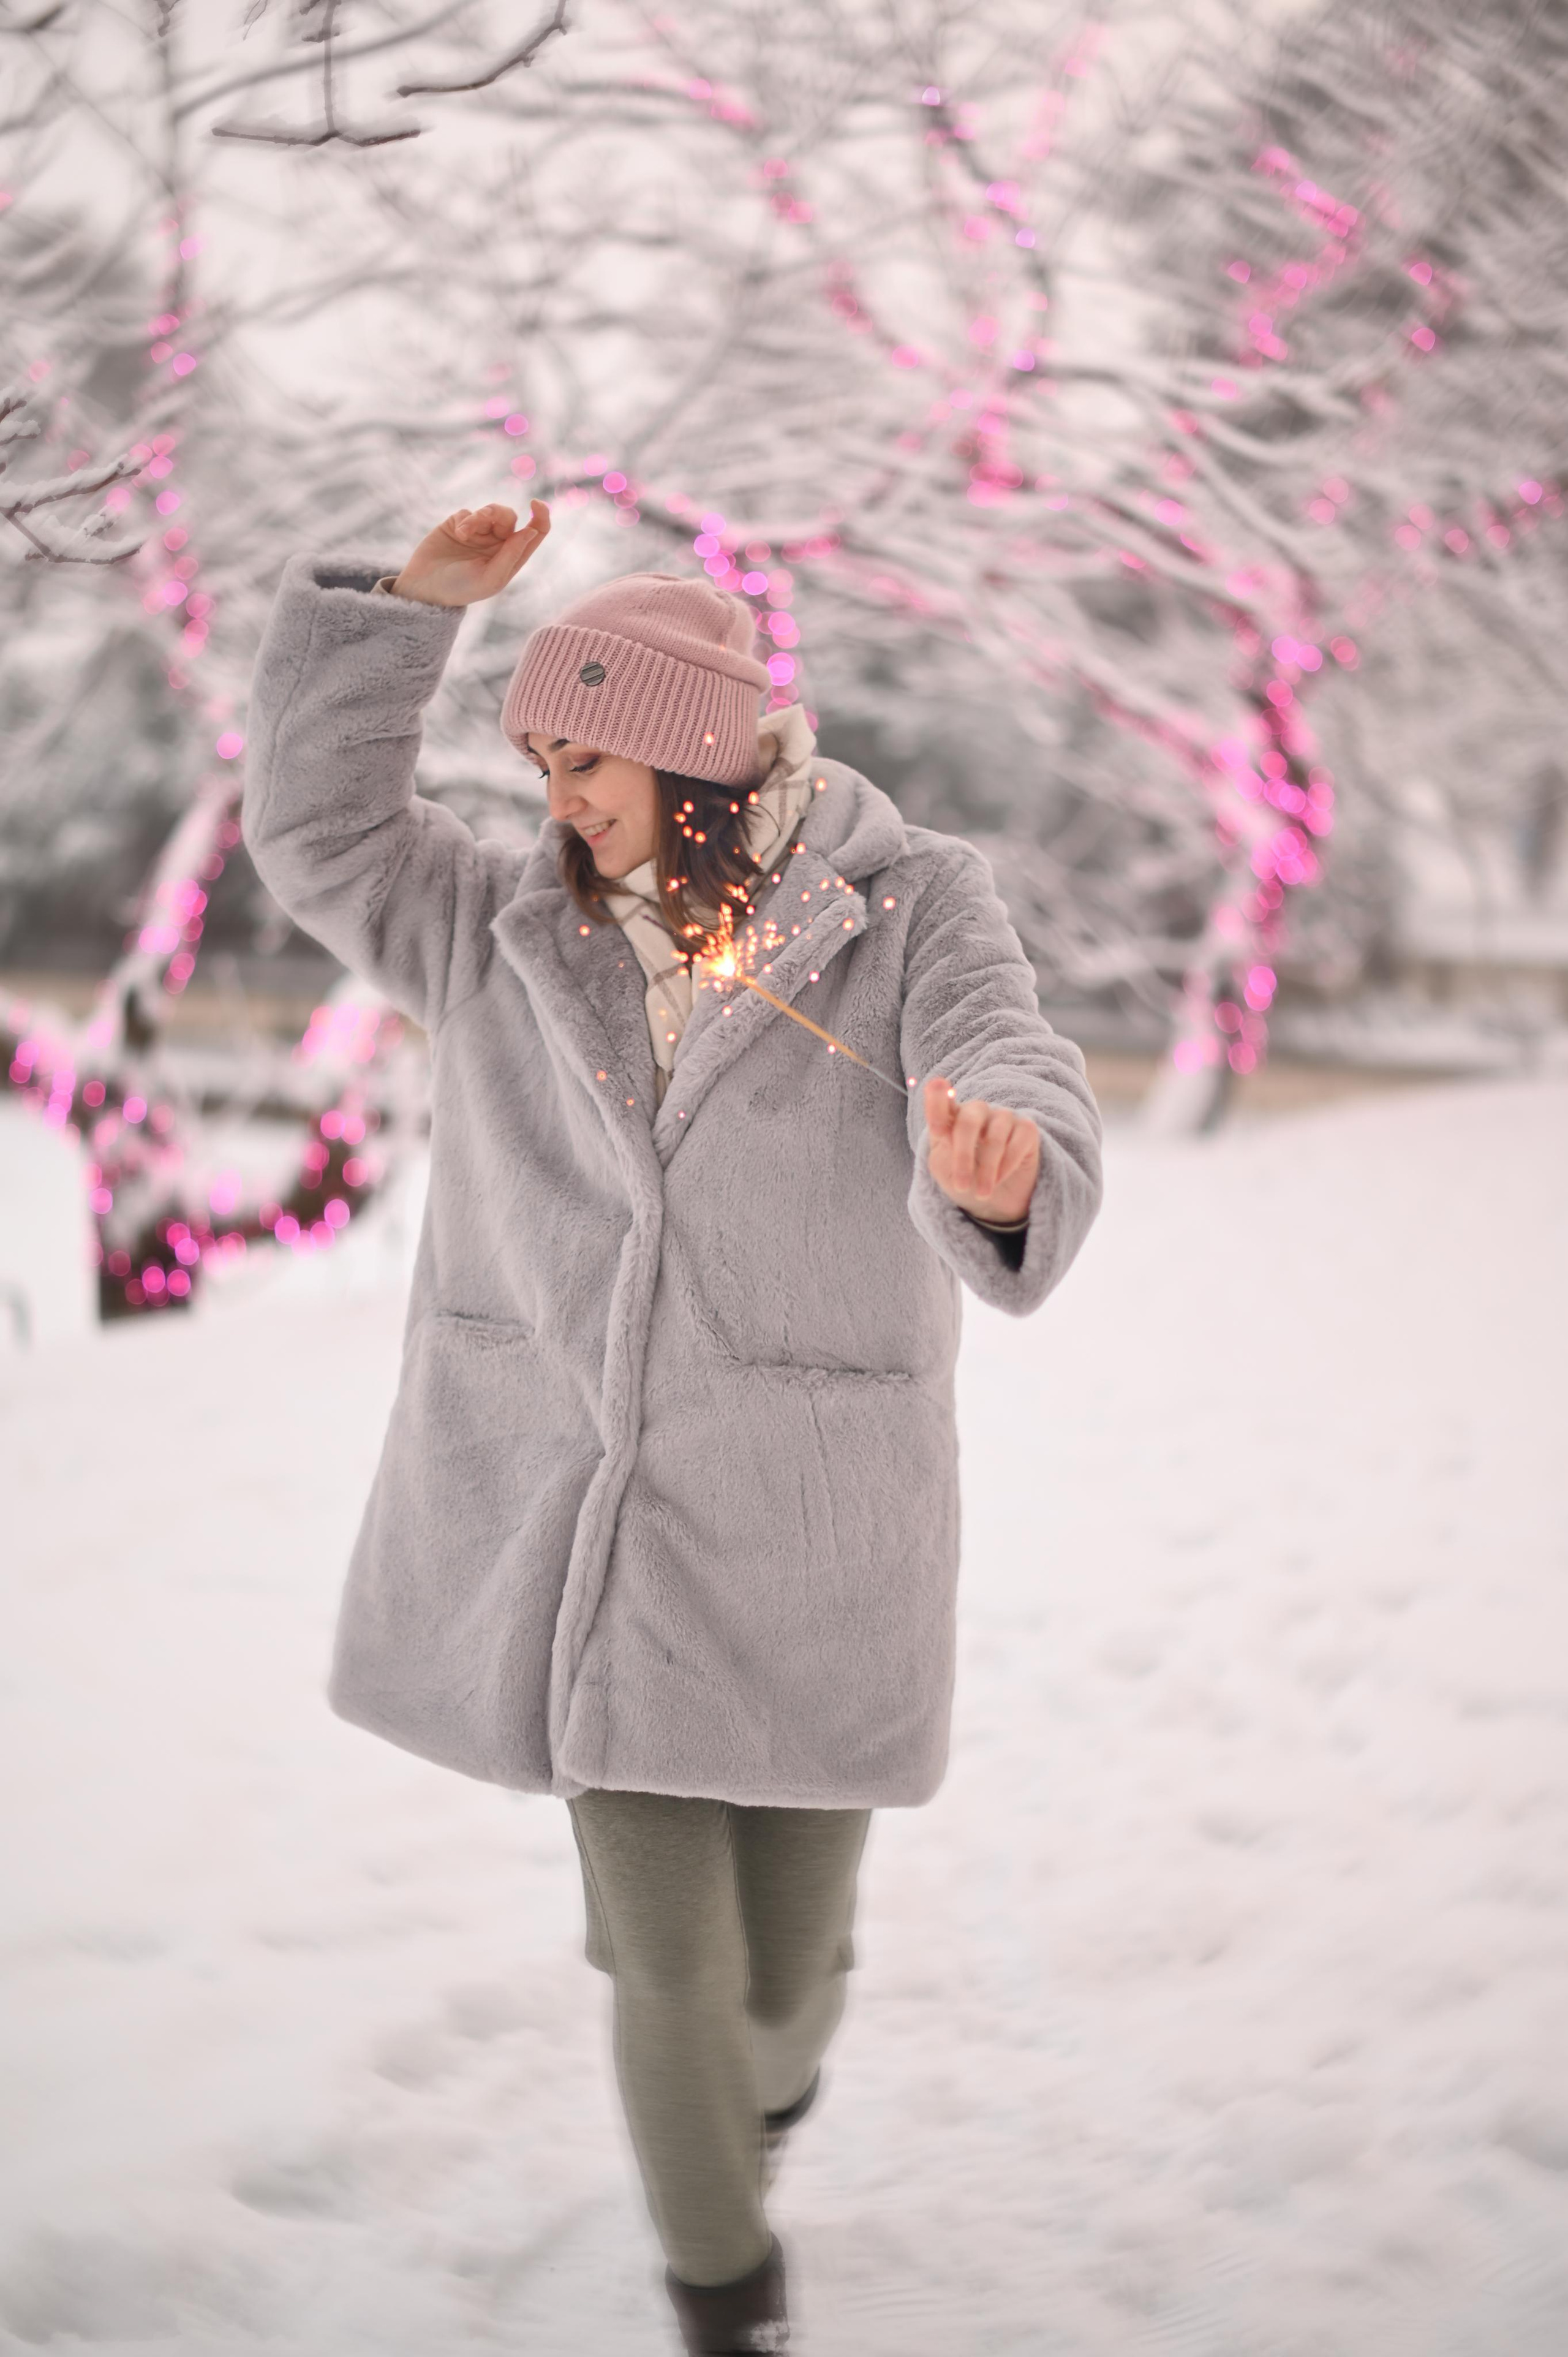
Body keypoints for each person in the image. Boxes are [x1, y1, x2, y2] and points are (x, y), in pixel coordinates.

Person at [243, 500, 1102, 2353]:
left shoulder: (912, 900)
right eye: (539, 758)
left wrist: (1006, 1153)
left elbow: (1009, 1046)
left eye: (586, 751)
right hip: (573, 1520)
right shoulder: (490, 923)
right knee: (671, 1963)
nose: (556, 793)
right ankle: (730, 2297)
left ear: (698, 745)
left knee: (787, 1986)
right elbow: (314, 830)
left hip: (812, 1528)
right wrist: (407, 622)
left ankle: (758, 2099)